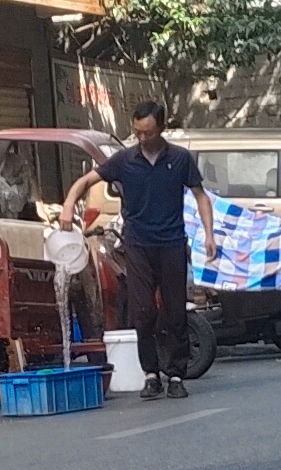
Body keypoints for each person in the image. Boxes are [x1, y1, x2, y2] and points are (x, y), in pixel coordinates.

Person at [79, 100, 213, 396]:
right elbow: (87, 180)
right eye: (137, 132)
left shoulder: (179, 159)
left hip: (172, 244)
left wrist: (209, 235)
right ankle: (151, 374)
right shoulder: (124, 161)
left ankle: (176, 376)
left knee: (176, 310)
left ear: (161, 129)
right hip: (138, 245)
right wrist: (66, 208)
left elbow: (201, 197)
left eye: (148, 133)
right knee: (143, 311)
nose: (142, 138)